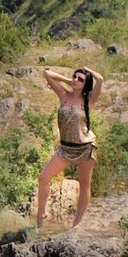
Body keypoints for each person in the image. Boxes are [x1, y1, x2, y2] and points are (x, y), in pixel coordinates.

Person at [34, 65, 104, 229]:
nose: (75, 80)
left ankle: (77, 224)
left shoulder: (89, 100)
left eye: (80, 79)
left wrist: (89, 71)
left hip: (85, 148)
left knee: (84, 185)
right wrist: (69, 81)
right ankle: (41, 215)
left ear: (86, 84)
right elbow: (47, 74)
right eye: (75, 76)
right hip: (65, 148)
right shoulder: (63, 95)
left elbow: (100, 79)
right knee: (44, 177)